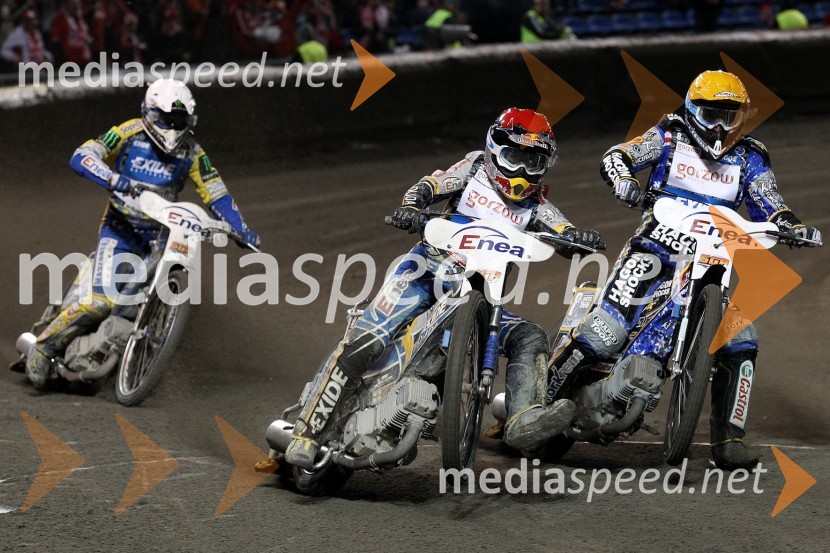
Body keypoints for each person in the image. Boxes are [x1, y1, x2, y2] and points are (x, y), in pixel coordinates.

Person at [284, 108, 605, 468]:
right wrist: (411, 208)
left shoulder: (537, 205)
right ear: (494, 148)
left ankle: (523, 418)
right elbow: (429, 186)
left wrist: (579, 238)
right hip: (424, 273)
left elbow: (562, 230)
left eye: (533, 161)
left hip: (482, 298)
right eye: (514, 156)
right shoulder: (472, 170)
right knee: (369, 338)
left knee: (530, 336)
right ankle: (308, 431)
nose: (521, 169)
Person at [547, 71, 822, 470]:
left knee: (742, 334)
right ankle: (539, 406)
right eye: (711, 114)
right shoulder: (669, 136)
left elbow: (769, 200)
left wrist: (790, 224)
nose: (720, 126)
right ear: (693, 109)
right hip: (653, 254)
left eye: (730, 117)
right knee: (603, 336)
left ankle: (728, 440)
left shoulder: (750, 155)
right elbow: (618, 155)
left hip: (712, 262)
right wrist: (623, 179)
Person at [25, 78, 260, 389]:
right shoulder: (127, 132)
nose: (174, 126)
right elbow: (81, 155)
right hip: (120, 231)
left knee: (146, 298)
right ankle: (44, 346)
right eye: (167, 119)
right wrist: (110, 177)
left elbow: (215, 191)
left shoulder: (192, 152)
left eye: (181, 120)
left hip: (161, 237)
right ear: (150, 114)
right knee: (99, 301)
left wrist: (239, 227)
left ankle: (133, 344)